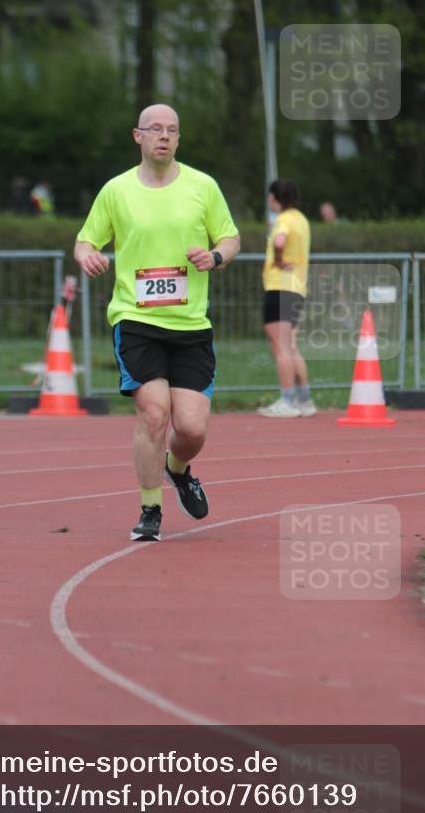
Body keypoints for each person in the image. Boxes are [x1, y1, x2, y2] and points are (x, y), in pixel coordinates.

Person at [74, 104, 240, 541]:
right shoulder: (116, 190)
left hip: (189, 324)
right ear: (138, 136)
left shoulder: (203, 187)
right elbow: (86, 239)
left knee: (190, 428)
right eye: (156, 129)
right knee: (153, 413)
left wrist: (216, 256)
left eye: (172, 130)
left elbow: (230, 236)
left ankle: (178, 468)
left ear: (178, 140)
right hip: (136, 318)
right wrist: (88, 255)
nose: (164, 136)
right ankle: (150, 509)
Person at [259, 178, 316, 418]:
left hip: (279, 287)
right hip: (297, 288)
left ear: (274, 197)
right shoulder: (301, 219)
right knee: (291, 346)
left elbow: (280, 240)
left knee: (280, 346)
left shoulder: (282, 220)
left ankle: (287, 400)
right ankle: (304, 399)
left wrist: (279, 259)